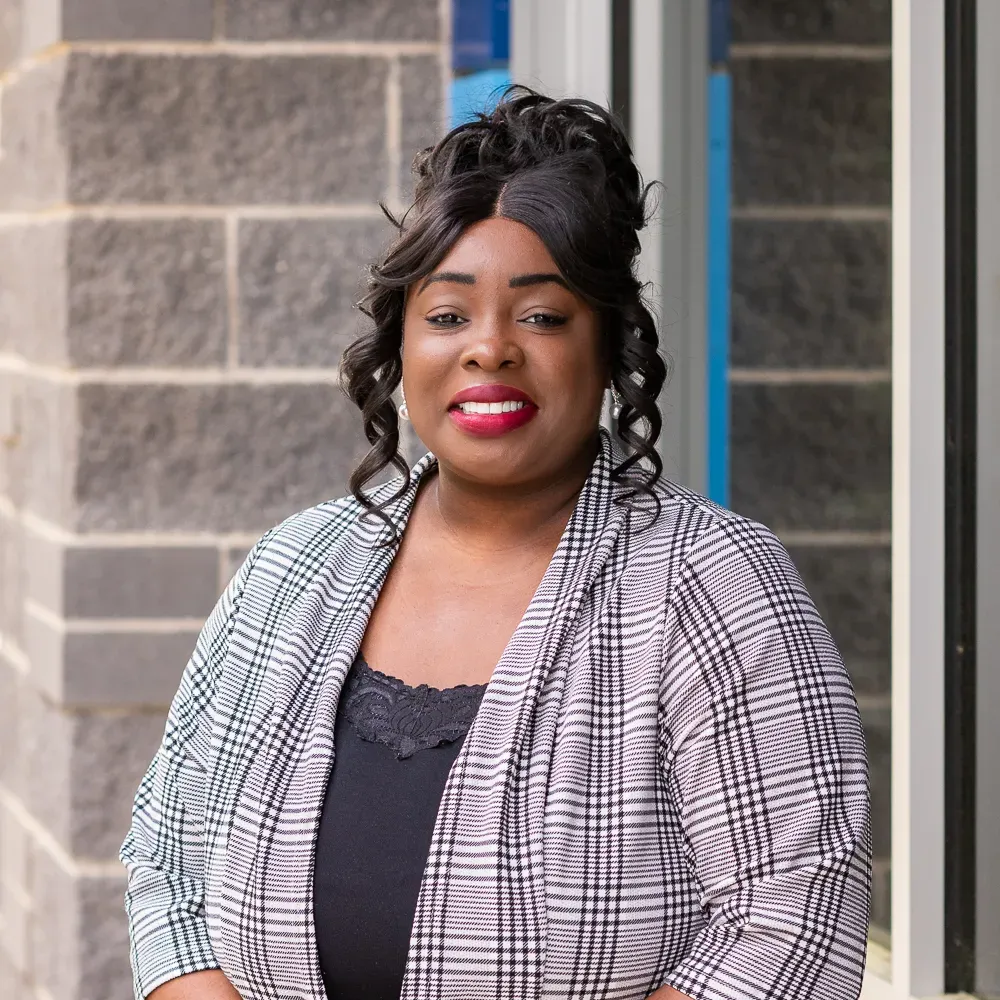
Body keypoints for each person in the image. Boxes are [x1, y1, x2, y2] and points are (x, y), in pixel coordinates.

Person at [120, 89, 871, 1000]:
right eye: (447, 316)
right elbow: (169, 861)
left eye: (542, 316)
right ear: (401, 347)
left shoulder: (712, 584)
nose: (490, 349)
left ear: (610, 347)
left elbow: (792, 919)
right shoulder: (294, 566)